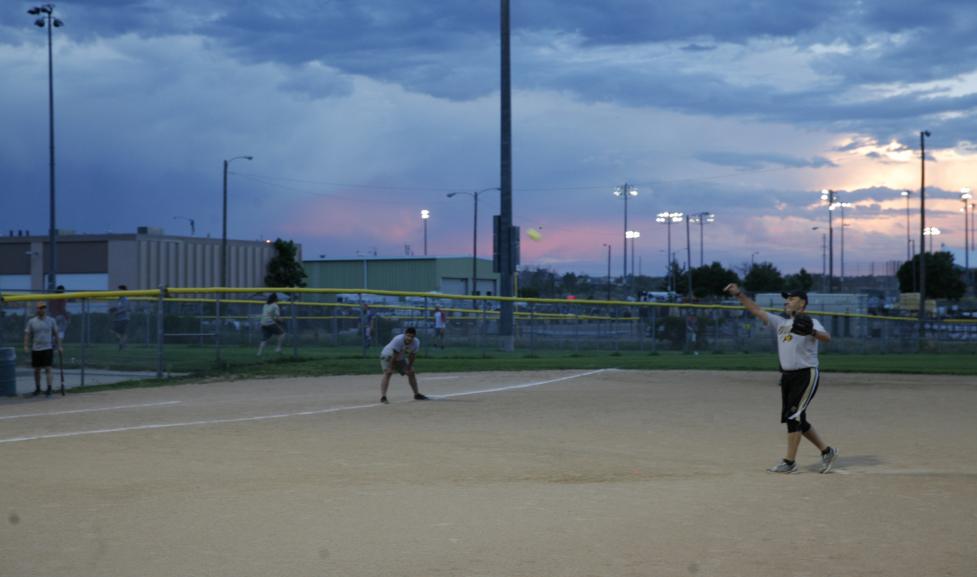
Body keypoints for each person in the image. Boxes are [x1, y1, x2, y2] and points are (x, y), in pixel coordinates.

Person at [724, 284, 839, 474]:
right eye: (787, 299)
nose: (787, 302)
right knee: (795, 417)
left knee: (793, 416)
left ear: (802, 303)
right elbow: (756, 310)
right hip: (787, 377)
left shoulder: (811, 321)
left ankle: (789, 462)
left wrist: (812, 332)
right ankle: (828, 452)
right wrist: (738, 294)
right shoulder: (781, 323)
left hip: (806, 374)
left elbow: (827, 337)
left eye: (792, 299)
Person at [379, 327, 428, 404]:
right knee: (388, 373)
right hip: (387, 355)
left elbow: (412, 356)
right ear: (404, 334)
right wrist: (390, 367)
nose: (409, 338)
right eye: (408, 335)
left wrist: (408, 367)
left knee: (411, 372)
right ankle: (383, 397)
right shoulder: (398, 339)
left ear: (414, 336)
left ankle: (416, 394)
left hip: (399, 357)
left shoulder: (416, 342)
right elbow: (394, 355)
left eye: (411, 336)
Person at [23, 302, 62, 397]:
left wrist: (59, 346)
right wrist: (26, 346)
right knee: (37, 370)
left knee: (48, 368)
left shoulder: (51, 320)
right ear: (37, 309)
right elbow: (27, 334)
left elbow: (56, 334)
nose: (41, 309)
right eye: (39, 308)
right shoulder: (32, 321)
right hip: (36, 349)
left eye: (43, 308)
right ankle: (38, 388)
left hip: (47, 348)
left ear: (45, 309)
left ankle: (49, 388)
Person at [109, 285, 130, 350]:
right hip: (118, 318)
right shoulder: (119, 299)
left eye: (119, 290)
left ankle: (123, 346)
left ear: (123, 291)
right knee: (115, 331)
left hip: (124, 318)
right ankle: (122, 344)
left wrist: (117, 312)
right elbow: (119, 308)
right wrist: (114, 309)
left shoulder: (125, 298)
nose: (118, 291)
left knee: (123, 333)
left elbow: (125, 309)